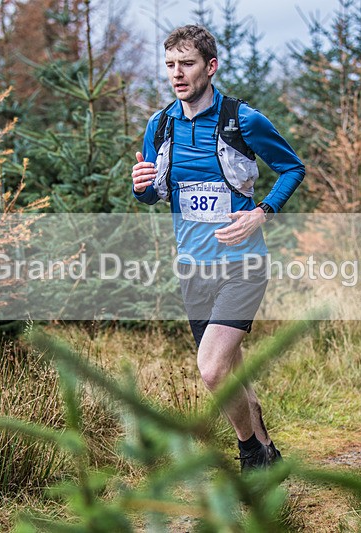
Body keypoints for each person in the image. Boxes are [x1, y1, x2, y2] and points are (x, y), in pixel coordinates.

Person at [130, 25, 305, 470]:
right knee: (231, 371)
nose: (177, 73)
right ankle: (267, 450)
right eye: (170, 65)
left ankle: (250, 454)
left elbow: (292, 168)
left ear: (210, 67)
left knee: (211, 369)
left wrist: (261, 212)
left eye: (186, 64)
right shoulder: (160, 124)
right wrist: (141, 187)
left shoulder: (243, 120)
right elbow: (153, 194)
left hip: (242, 264)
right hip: (193, 268)